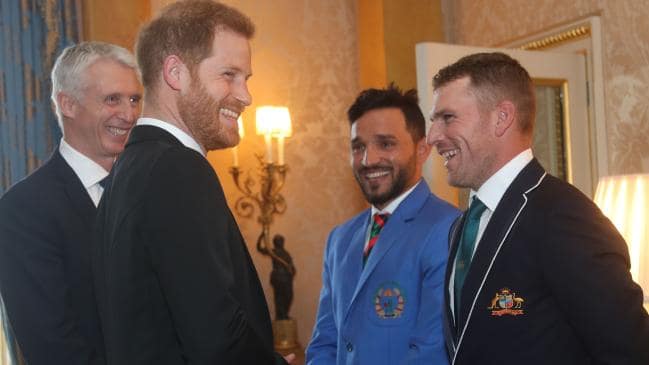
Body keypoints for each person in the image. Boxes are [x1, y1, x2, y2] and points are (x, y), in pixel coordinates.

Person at [92, 1, 292, 364]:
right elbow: (217, 337)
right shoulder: (177, 170)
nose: (246, 96)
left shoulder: (129, 169)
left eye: (245, 79)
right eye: (228, 75)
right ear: (175, 73)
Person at [426, 52, 649, 364]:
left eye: (448, 118)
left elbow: (631, 352)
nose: (432, 136)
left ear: (501, 118)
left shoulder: (564, 217)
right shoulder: (463, 226)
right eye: (433, 120)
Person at [0, 41, 141, 365]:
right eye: (112, 99)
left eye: (134, 99)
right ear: (68, 104)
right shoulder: (23, 209)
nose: (130, 114)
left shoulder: (150, 191)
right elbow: (52, 347)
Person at [306, 85, 460, 365]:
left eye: (386, 144)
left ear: (422, 150)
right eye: (358, 147)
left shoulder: (449, 229)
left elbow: (431, 352)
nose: (368, 159)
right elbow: (325, 342)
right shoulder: (340, 239)